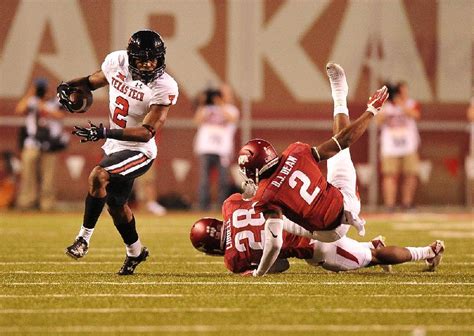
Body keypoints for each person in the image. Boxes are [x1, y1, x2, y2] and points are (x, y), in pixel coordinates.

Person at [234, 63, 389, 276]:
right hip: (338, 204)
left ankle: (340, 94)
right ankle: (339, 95)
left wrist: (258, 273)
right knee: (340, 148)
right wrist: (371, 110)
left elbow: (274, 242)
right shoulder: (295, 152)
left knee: (271, 219)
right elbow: (341, 141)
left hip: (329, 228)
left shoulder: (265, 195)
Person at [57, 29, 178, 275]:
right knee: (116, 204)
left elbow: (146, 132)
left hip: (140, 151)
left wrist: (104, 133)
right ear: (130, 57)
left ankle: (83, 239)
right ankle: (135, 251)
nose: (147, 64)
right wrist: (69, 86)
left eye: (153, 59)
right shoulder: (116, 63)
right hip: (115, 148)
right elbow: (91, 82)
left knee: (98, 176)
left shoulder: (164, 86)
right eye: (142, 59)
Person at [189, 197, 445, 274]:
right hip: (307, 221)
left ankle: (428, 252)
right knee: (353, 253)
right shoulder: (231, 205)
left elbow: (281, 265)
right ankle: (368, 244)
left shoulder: (233, 260)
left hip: (317, 244)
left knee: (375, 258)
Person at [15, 78, 67, 211]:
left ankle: (47, 205)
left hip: (51, 142)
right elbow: (19, 110)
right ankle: (27, 203)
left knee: (48, 177)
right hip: (32, 141)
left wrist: (44, 107)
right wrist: (30, 93)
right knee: (28, 174)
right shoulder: (31, 101)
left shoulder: (56, 101)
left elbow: (61, 115)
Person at [193, 84, 239, 210]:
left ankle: (222, 206)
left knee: (223, 180)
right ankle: (203, 206)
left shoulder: (231, 109)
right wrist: (203, 103)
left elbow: (232, 119)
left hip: (222, 149)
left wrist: (220, 104)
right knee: (204, 180)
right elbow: (197, 120)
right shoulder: (207, 108)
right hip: (205, 147)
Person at [377, 81, 421, 211]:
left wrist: (401, 103)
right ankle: (390, 205)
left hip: (408, 146)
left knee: (410, 174)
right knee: (390, 175)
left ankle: (407, 203)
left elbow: (416, 115)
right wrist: (387, 103)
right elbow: (378, 120)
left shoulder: (411, 103)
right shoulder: (386, 106)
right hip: (390, 147)